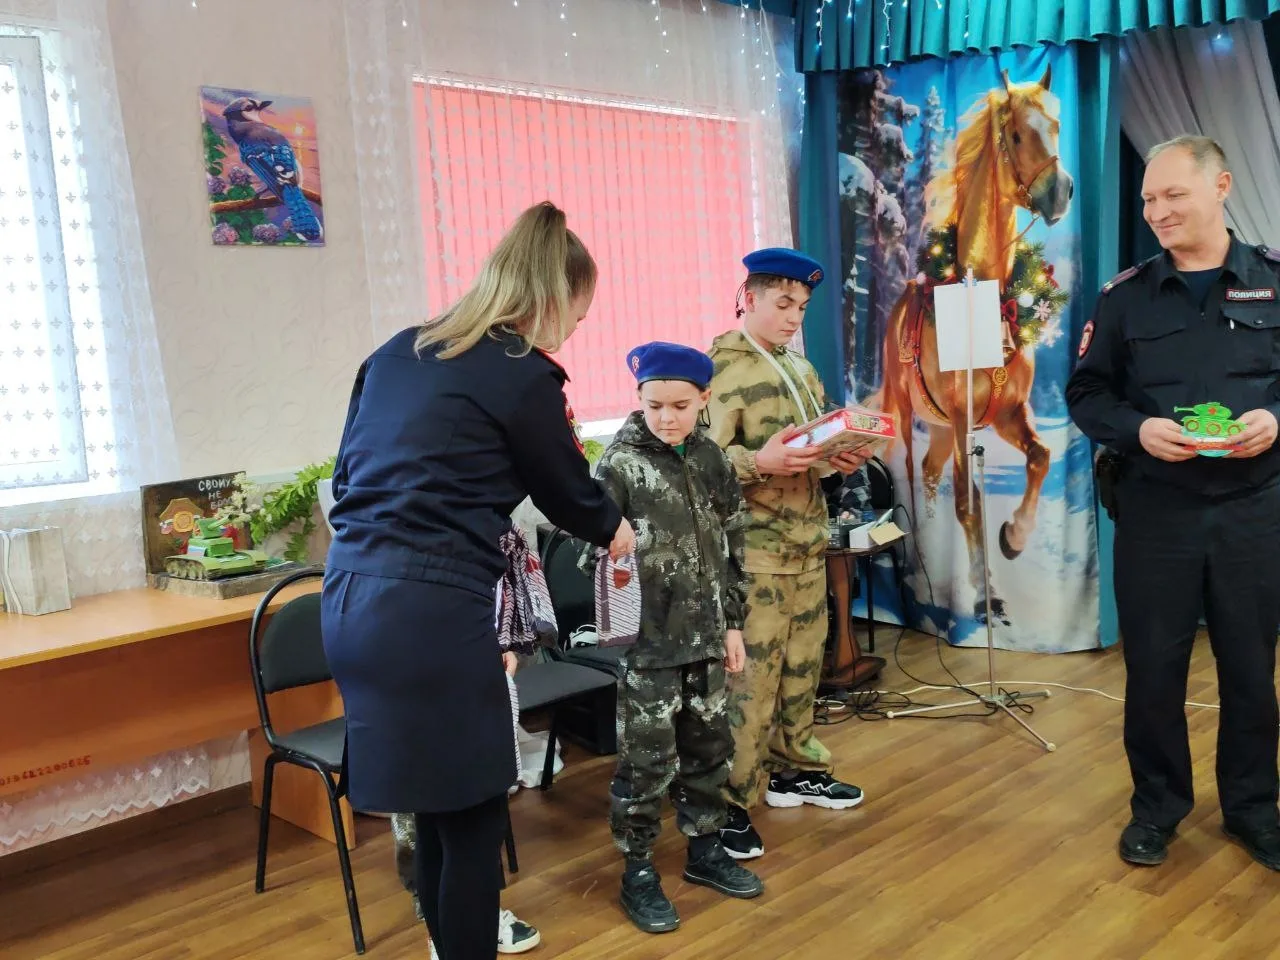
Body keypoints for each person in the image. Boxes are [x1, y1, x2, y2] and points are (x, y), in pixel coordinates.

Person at [322, 201, 635, 960]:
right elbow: (568, 492)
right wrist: (617, 531)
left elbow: (347, 478)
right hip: (429, 613)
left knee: (437, 809)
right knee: (471, 825)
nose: (573, 332)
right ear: (553, 296)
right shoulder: (521, 374)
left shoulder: (399, 351)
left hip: (350, 599)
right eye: (578, 316)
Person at [1066, 135, 1280, 871]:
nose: (1157, 210)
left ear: (1221, 186)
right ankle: (1156, 808)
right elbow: (1086, 391)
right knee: (1154, 671)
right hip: (1157, 513)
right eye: (1148, 199)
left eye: (1173, 195)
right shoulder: (1124, 297)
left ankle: (1254, 809)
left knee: (1250, 668)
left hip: (1254, 510)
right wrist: (1138, 430)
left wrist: (1276, 418)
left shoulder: (1273, 282)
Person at [589, 341, 765, 934]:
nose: (667, 417)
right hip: (649, 647)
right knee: (645, 764)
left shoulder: (712, 458)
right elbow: (594, 553)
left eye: (681, 406)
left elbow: (734, 544)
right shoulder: (618, 466)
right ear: (638, 399)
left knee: (710, 750)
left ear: (704, 398)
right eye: (655, 405)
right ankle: (638, 869)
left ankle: (706, 849)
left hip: (708, 640)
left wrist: (732, 623)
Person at [707, 249, 873, 861]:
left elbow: (808, 455)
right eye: (782, 304)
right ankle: (728, 803)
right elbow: (695, 464)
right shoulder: (719, 370)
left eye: (801, 308)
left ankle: (794, 769)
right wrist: (759, 461)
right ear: (748, 298)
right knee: (750, 687)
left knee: (803, 672)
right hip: (755, 557)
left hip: (806, 546)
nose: (792, 318)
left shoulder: (799, 369)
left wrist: (840, 457)